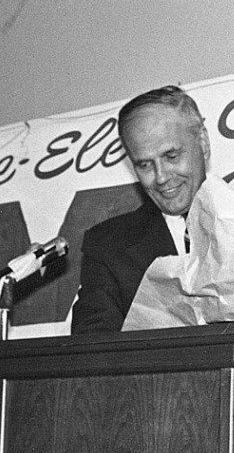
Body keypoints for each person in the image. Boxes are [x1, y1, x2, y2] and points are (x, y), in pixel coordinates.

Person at [71, 85, 209, 333]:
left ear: (203, 142)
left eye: (171, 156)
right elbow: (91, 350)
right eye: (145, 164)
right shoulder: (107, 247)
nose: (161, 177)